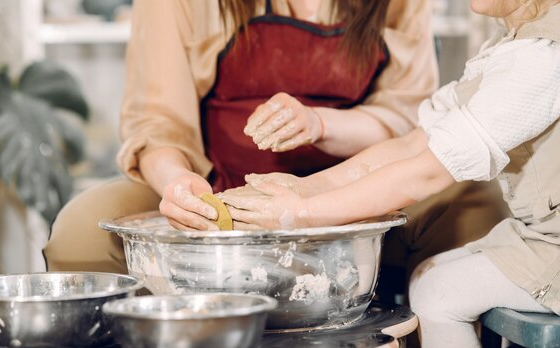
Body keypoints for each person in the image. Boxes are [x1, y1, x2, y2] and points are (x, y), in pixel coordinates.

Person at [219, 1, 560, 348]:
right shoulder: (510, 45)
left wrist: (305, 216)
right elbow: (414, 143)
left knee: (440, 292)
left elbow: (429, 173)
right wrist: (308, 188)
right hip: (540, 233)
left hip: (555, 245)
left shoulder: (542, 55)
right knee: (430, 284)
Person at [43, 0, 441, 273]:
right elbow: (157, 121)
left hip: (360, 191)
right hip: (218, 188)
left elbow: (407, 120)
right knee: (81, 231)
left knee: (470, 205)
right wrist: (178, 184)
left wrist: (320, 125)